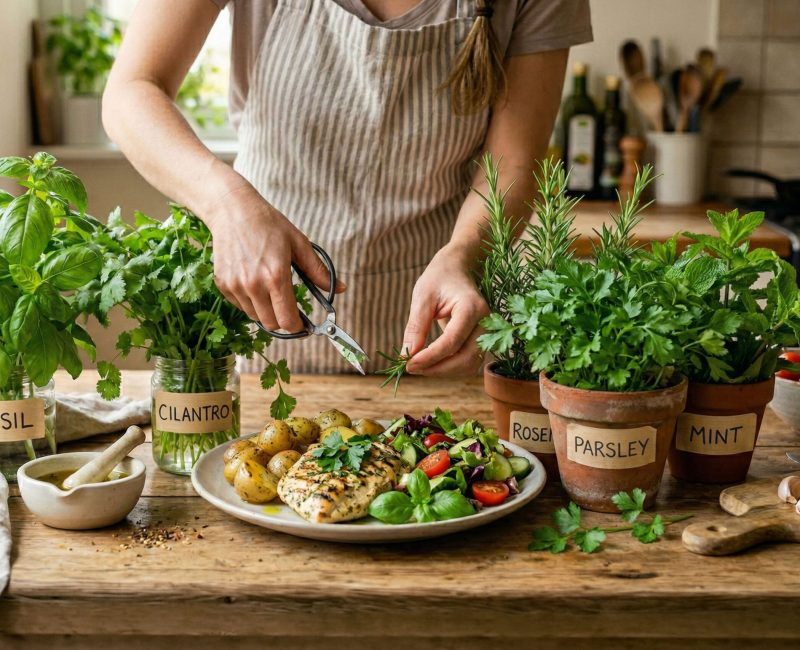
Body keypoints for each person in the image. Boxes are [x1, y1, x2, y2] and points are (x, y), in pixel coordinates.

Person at [103, 0, 592, 375]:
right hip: (262, 321)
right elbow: (132, 90)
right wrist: (227, 204)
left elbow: (513, 163)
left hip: (432, 331)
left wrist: (465, 252)